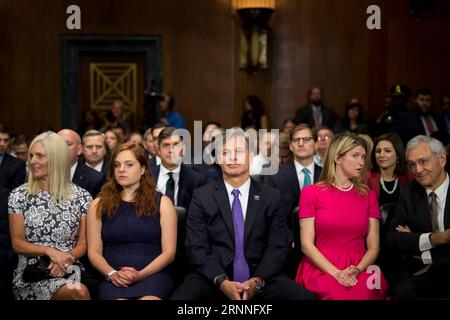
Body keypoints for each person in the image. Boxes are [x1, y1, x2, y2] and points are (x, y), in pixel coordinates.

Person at [171, 129, 315, 300]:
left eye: (239, 152)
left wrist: (257, 281)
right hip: (212, 277)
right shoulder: (202, 196)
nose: (233, 158)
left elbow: (278, 246)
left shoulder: (272, 197)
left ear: (251, 156)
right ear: (218, 159)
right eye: (225, 152)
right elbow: (196, 248)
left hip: (262, 277)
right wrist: (222, 282)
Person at [295, 133, 388, 300]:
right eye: (355, 156)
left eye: (363, 157)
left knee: (365, 294)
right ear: (338, 158)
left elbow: (374, 247)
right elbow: (306, 245)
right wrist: (336, 273)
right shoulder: (311, 193)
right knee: (336, 295)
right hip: (321, 266)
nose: (361, 162)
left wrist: (358, 269)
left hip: (361, 266)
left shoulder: (369, 195)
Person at [8, 132, 92, 300]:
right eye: (31, 156)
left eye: (40, 156)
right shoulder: (19, 195)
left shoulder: (82, 197)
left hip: (70, 267)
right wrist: (50, 252)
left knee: (79, 289)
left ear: (57, 159)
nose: (32, 161)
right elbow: (17, 243)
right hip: (33, 272)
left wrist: (67, 259)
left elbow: (83, 243)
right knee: (78, 292)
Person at [87, 143, 177, 300]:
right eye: (117, 165)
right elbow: (94, 252)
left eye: (129, 165)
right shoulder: (98, 204)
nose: (121, 169)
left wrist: (140, 274)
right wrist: (112, 273)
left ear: (142, 169)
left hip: (153, 276)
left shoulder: (163, 202)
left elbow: (169, 253)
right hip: (114, 277)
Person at [386, 135, 450, 299]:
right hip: (422, 272)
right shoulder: (408, 191)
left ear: (442, 159)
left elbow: (408, 242)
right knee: (401, 291)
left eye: (423, 162)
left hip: (437, 265)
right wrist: (438, 238)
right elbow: (394, 238)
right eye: (412, 165)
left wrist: (422, 249)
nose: (418, 170)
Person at [151, 127, 206, 210]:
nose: (171, 150)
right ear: (158, 150)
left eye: (176, 145)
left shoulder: (197, 180)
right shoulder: (147, 177)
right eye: (166, 145)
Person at [367, 133, 412, 207]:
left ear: (398, 154)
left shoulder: (409, 177)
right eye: (378, 151)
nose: (381, 155)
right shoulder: (366, 178)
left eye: (387, 151)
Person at [57, 129, 105, 198]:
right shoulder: (44, 173)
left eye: (68, 144)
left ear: (79, 149)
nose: (62, 148)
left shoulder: (95, 178)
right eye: (58, 144)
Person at [0, 124, 26, 191]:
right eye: (0, 140)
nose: (2, 144)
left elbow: (17, 194)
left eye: (6, 140)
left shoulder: (18, 165)